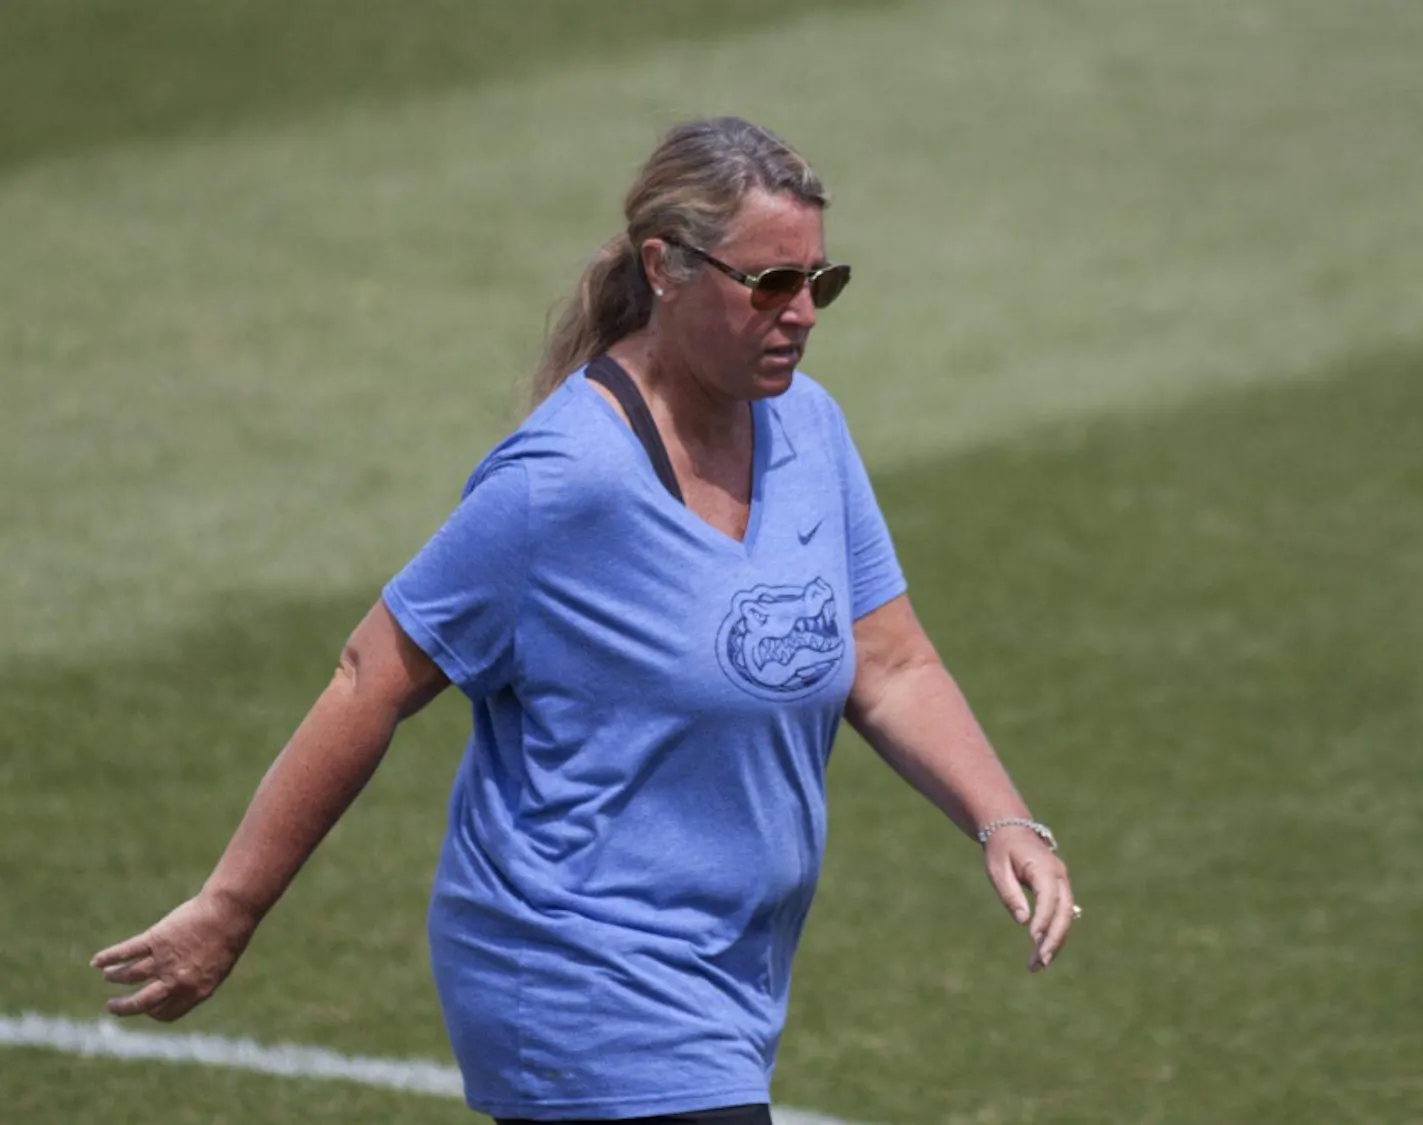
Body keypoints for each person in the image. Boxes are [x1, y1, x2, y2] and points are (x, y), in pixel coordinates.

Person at [92, 116, 1077, 1124]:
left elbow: (890, 660)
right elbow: (370, 674)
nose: (802, 315)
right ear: (667, 267)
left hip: (726, 977)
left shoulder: (808, 430)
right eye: (770, 284)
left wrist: (1003, 822)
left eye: (819, 283)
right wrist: (228, 910)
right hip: (581, 976)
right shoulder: (568, 481)